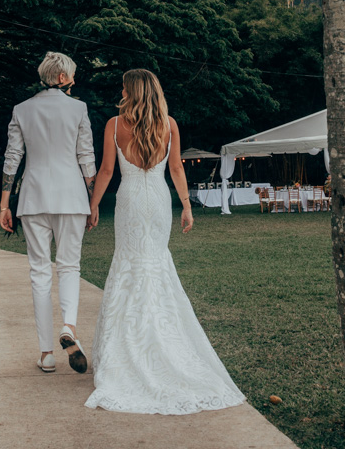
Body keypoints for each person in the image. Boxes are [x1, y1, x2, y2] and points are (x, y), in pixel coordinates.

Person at [85, 69, 245, 414]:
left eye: (124, 87)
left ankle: (126, 349)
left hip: (129, 201)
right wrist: (186, 206)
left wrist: (93, 204)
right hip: (158, 201)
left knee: (129, 264)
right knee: (155, 264)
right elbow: (176, 170)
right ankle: (164, 342)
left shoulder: (115, 124)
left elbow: (108, 171)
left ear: (132, 91)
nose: (120, 91)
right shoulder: (169, 124)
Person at [0, 52, 97, 374]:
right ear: (61, 78)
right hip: (71, 197)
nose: (74, 80)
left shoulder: (22, 110)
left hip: (33, 198)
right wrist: (93, 200)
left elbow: (12, 158)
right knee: (69, 266)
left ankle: (46, 354)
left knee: (40, 273)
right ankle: (69, 326)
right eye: (71, 75)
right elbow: (86, 158)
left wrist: (4, 204)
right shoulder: (79, 109)